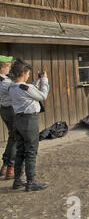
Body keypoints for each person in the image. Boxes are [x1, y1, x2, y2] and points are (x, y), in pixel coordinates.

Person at [8, 59, 49, 191]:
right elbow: (42, 95)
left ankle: (18, 179)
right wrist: (44, 81)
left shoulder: (12, 87)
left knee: (20, 150)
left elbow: (28, 90)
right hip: (29, 120)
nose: (28, 75)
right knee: (31, 150)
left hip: (18, 120)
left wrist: (36, 82)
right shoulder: (26, 88)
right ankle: (31, 181)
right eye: (27, 73)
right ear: (23, 73)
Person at [0, 55, 17, 180]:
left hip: (4, 109)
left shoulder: (4, 80)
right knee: (15, 138)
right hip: (11, 110)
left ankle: (5, 165)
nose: (9, 69)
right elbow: (18, 92)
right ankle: (10, 166)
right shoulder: (6, 82)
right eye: (8, 66)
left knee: (12, 137)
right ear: (3, 67)